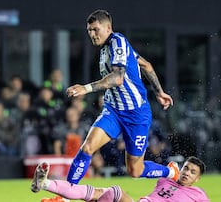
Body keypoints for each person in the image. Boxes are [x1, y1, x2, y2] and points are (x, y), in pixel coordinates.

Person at [64, 9, 175, 185]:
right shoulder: (106, 49)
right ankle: (66, 194)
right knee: (87, 147)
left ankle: (171, 172)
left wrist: (86, 88)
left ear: (108, 27)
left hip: (136, 114)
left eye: (96, 29)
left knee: (135, 170)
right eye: (89, 31)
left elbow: (117, 78)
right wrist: (159, 91)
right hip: (114, 111)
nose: (92, 34)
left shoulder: (118, 41)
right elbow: (146, 65)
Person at [31, 156, 210, 202]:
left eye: (192, 172)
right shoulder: (166, 180)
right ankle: (44, 183)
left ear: (198, 179)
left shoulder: (198, 194)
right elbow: (143, 168)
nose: (187, 173)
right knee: (100, 192)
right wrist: (168, 171)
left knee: (115, 192)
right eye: (186, 168)